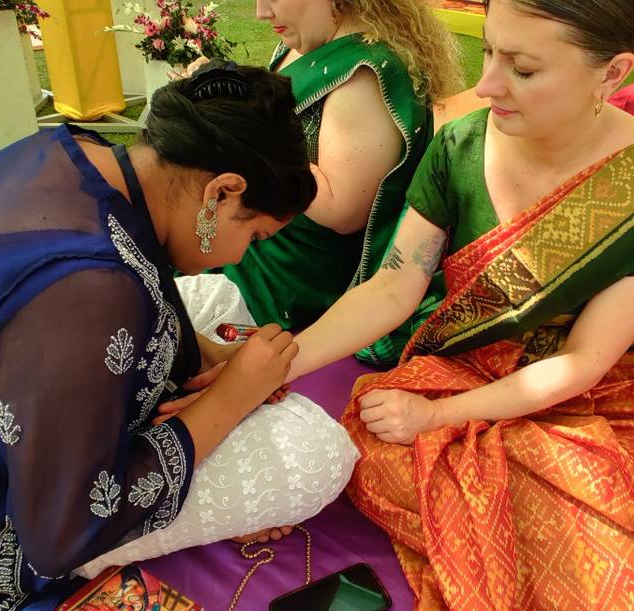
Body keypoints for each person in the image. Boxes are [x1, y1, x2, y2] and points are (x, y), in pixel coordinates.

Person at [169, 1, 634, 611]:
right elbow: (396, 286)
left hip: (592, 400)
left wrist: (436, 416)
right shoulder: (461, 144)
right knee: (362, 445)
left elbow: (583, 361)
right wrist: (275, 364)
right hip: (463, 364)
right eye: (488, 53)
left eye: (524, 68)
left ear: (613, 71)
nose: (485, 86)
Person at [0, 62, 359, 611]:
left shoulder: (81, 151)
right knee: (316, 453)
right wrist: (228, 399)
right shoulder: (88, 294)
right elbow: (59, 535)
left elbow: (136, 272)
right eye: (253, 237)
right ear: (223, 191)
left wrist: (205, 359)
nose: (243, 256)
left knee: (217, 297)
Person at [182, 0, 462, 365]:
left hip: (290, 284)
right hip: (253, 244)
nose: (260, 12)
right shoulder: (303, 42)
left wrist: (236, 127)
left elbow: (340, 210)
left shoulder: (363, 77)